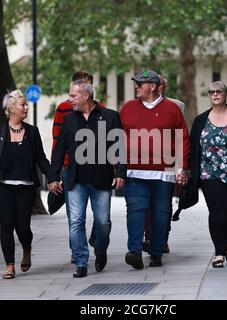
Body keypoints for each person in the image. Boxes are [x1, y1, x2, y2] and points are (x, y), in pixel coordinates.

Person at [0, 90, 54, 279]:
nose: (26, 107)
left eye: (26, 104)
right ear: (11, 109)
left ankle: (27, 248)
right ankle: (9, 265)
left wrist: (52, 177)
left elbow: (41, 159)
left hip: (25, 187)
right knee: (7, 224)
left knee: (23, 227)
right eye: (22, 104)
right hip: (2, 187)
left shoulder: (32, 132)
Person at [49, 80, 126, 278]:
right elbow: (59, 150)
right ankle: (81, 262)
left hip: (102, 180)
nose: (70, 100)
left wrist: (120, 172)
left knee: (102, 222)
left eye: (73, 96)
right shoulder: (69, 120)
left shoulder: (110, 117)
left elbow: (119, 148)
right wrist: (53, 177)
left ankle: (100, 250)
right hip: (76, 181)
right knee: (76, 220)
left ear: (86, 95)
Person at [120, 69, 190, 269]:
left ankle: (156, 252)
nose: (136, 87)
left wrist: (182, 168)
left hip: (164, 173)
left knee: (161, 213)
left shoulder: (172, 109)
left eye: (140, 84)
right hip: (134, 172)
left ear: (152, 86)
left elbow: (183, 139)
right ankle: (134, 251)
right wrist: (117, 167)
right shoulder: (127, 108)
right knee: (135, 211)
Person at [189, 81, 227, 268]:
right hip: (210, 174)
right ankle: (219, 252)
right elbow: (193, 148)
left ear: (226, 94)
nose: (215, 94)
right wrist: (189, 171)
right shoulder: (201, 120)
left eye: (219, 91)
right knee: (219, 210)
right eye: (211, 92)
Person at [51, 71, 105, 264]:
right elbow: (57, 142)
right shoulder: (63, 109)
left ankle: (97, 240)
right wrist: (54, 175)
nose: (88, 89)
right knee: (74, 216)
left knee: (101, 217)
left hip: (96, 169)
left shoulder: (102, 110)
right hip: (70, 169)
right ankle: (77, 252)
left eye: (89, 85)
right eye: (83, 85)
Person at [142, 75, 187, 254]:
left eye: (161, 85)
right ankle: (149, 236)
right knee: (145, 203)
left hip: (168, 163)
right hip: (144, 162)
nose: (158, 88)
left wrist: (182, 167)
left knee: (164, 203)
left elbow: (183, 136)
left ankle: (162, 238)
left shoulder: (177, 105)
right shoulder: (139, 105)